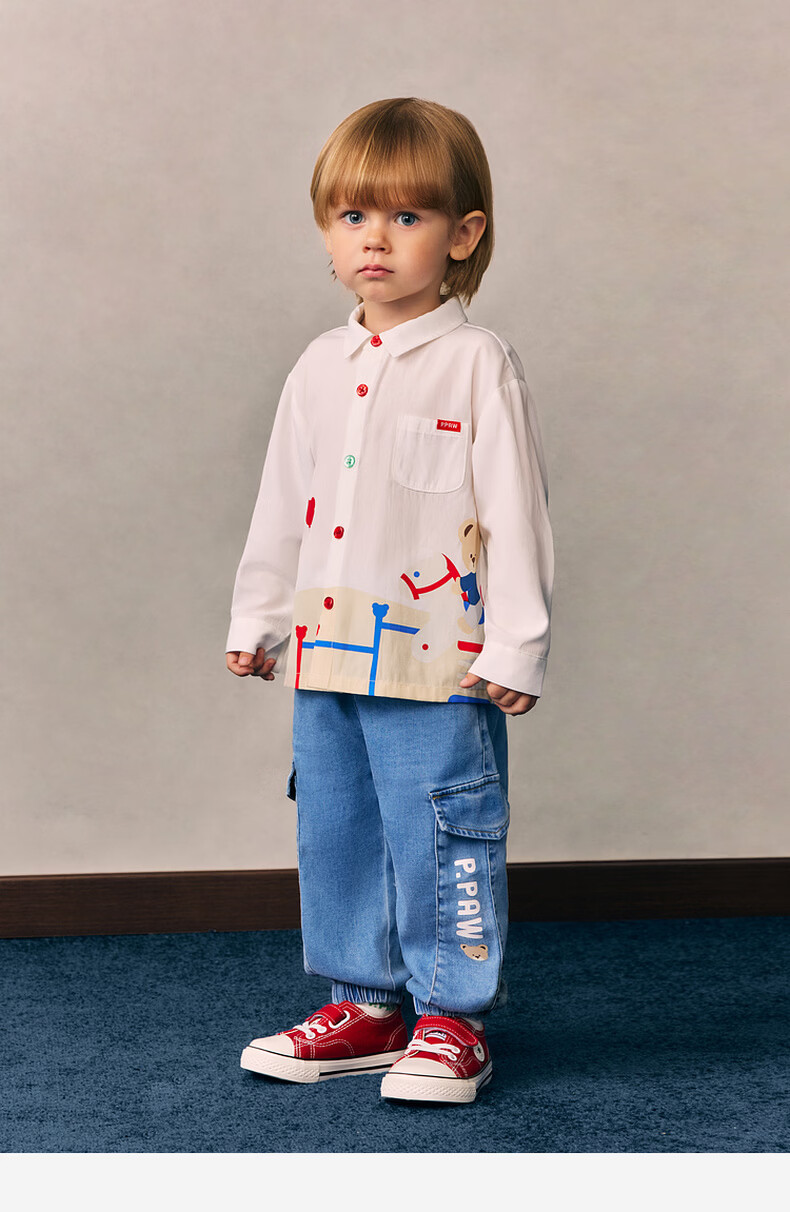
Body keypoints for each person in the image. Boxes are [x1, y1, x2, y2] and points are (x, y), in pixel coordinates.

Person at [226, 97, 554, 1104]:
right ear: (326, 231)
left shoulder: (475, 362)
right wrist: (259, 618)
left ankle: (453, 1018)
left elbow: (515, 509)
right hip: (329, 650)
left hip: (439, 659)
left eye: (407, 217)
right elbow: (284, 499)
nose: (375, 238)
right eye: (353, 216)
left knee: (442, 828)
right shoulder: (318, 368)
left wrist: (517, 642)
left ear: (461, 235)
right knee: (337, 825)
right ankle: (364, 1004)